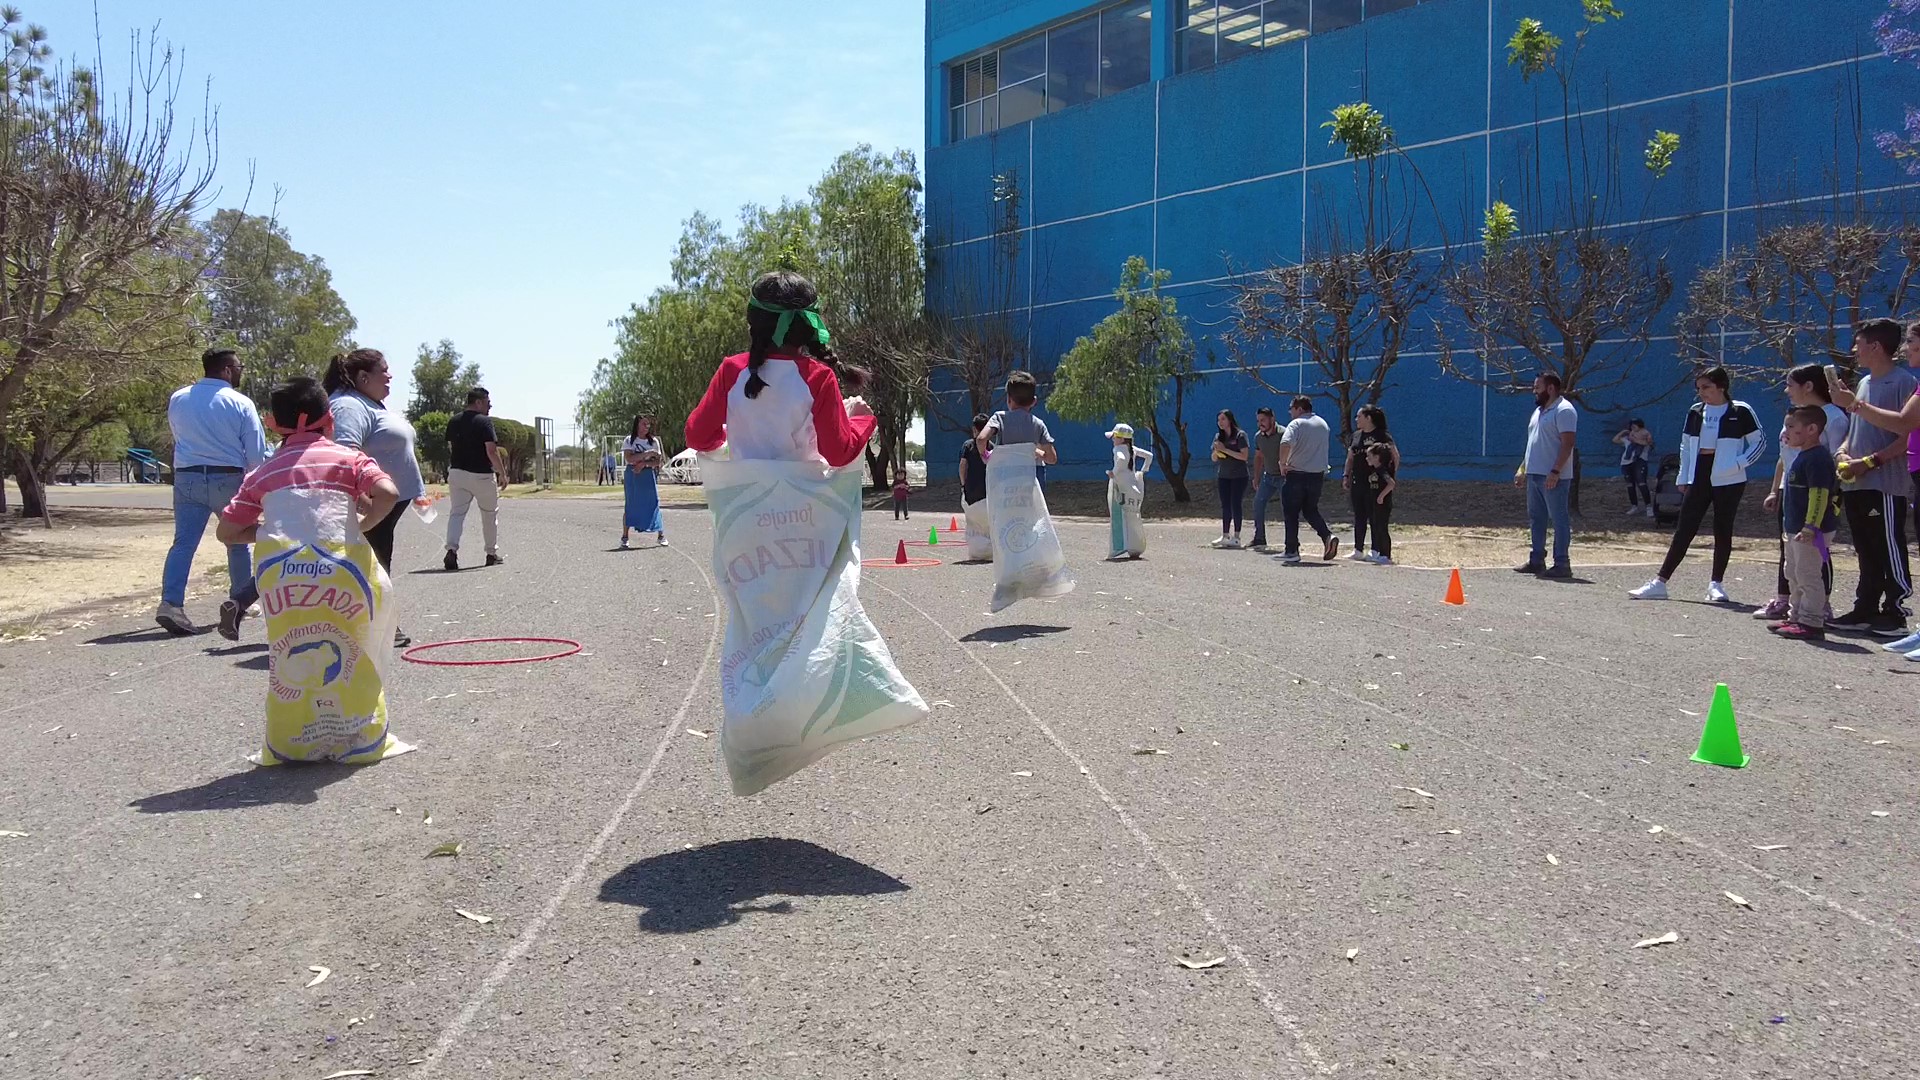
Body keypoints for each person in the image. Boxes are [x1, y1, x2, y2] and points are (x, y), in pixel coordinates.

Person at [683, 270, 926, 795]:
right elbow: (839, 450)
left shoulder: (732, 371)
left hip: (748, 522)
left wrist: (739, 424)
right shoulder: (817, 377)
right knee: (817, 615)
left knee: (753, 626)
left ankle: (755, 725)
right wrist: (865, 422)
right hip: (806, 521)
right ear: (808, 324)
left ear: (755, 321)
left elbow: (698, 434)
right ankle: (827, 705)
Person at [215, 376, 412, 765]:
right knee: (353, 649)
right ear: (330, 421)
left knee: (290, 652)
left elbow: (227, 532)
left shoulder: (262, 474)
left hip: (285, 580)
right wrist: (364, 524)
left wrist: (273, 531)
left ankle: (292, 741)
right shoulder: (348, 459)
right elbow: (387, 492)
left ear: (276, 424)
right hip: (343, 574)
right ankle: (359, 738)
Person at [1628, 366, 1767, 603]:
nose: (1701, 393)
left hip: (1729, 479)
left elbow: (1760, 442)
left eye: (1706, 387)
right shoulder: (1695, 412)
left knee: (1722, 530)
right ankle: (1659, 582)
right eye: (1699, 388)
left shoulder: (1740, 411)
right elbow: (1685, 444)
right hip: (1699, 475)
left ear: (1721, 387)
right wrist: (1683, 476)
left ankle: (1716, 584)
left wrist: (1739, 464)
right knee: (1685, 529)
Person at [157, 348, 269, 639]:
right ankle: (239, 600)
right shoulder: (240, 403)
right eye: (239, 366)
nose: (241, 371)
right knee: (237, 540)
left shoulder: (179, 398)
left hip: (188, 476)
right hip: (228, 476)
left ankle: (171, 603)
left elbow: (178, 436)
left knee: (183, 544)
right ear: (228, 370)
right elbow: (256, 454)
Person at [326, 349, 427, 648]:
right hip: (370, 504)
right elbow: (345, 453)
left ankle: (377, 626)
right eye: (384, 370)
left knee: (375, 563)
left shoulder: (366, 402)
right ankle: (379, 628)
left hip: (383, 505)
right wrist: (363, 500)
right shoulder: (347, 405)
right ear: (363, 377)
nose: (390, 375)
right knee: (370, 565)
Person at [1826, 318, 1918, 637]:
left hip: (1885, 484)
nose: (1854, 349)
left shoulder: (1904, 382)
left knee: (1887, 545)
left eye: (1859, 342)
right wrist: (1842, 453)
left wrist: (1870, 461)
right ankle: (1865, 608)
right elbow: (1856, 430)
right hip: (1856, 483)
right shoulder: (1864, 383)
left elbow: (1907, 435)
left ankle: (1895, 612)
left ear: (1875, 346)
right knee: (1865, 548)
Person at [1755, 365, 1850, 623]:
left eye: (1790, 384)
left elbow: (1833, 461)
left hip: (1815, 494)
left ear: (1808, 386)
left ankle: (1820, 606)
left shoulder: (1833, 417)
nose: (1787, 390)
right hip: (1791, 489)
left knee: (1815, 553)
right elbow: (1784, 458)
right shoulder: (1795, 416)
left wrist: (1828, 501)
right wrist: (1775, 489)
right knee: (1790, 551)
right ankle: (1787, 602)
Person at [1768, 406, 1842, 642]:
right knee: (1793, 572)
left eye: (1791, 427)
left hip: (1811, 531)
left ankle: (1811, 621)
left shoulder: (1818, 459)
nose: (1785, 432)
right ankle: (1796, 616)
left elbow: (1819, 495)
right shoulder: (1801, 455)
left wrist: (1811, 526)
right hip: (1794, 530)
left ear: (1811, 429)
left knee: (1808, 574)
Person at [1515, 372, 1577, 579]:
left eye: (1537, 387)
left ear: (1550, 388)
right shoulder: (1539, 412)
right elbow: (1533, 443)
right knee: (1536, 518)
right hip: (1534, 474)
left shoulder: (1564, 410)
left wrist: (1556, 471)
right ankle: (1536, 560)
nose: (1534, 391)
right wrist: (1522, 469)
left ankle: (1562, 564)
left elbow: (1568, 444)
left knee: (1559, 519)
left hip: (1553, 477)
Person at [443, 386, 507, 571]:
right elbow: (491, 451)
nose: (490, 406)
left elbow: (451, 447)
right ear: (478, 402)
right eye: (487, 402)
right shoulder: (484, 422)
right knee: (489, 514)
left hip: (457, 473)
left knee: (457, 513)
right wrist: (502, 473)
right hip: (481, 475)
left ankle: (451, 551)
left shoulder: (454, 421)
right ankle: (491, 553)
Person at [1273, 396, 1338, 565]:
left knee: (1291, 512)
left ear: (1299, 408)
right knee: (1310, 510)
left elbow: (1285, 443)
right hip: (1317, 475)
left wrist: (1282, 463)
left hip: (1297, 474)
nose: (1290, 412)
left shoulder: (1296, 424)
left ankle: (1291, 550)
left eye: (1291, 408)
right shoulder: (1323, 424)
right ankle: (1327, 536)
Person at [1344, 405, 1399, 561]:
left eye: (1359, 416)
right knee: (1359, 515)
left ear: (1368, 418)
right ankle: (1358, 549)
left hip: (1375, 483)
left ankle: (1376, 550)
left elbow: (1394, 455)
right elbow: (1350, 458)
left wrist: (1389, 475)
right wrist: (1346, 475)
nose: (1356, 420)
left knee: (1375, 517)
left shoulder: (1382, 435)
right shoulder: (1356, 436)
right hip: (1358, 481)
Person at [978, 370, 1058, 471]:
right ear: (1034, 401)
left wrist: (986, 455)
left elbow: (981, 439)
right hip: (1029, 477)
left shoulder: (999, 418)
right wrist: (1034, 451)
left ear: (1008, 399)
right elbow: (1052, 458)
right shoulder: (1038, 424)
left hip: (1003, 476)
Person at [1105, 422, 1153, 560]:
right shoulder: (1133, 449)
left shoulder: (1118, 449)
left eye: (1114, 437)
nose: (1113, 440)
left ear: (1121, 438)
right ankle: (1135, 546)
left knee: (1119, 515)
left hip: (1121, 486)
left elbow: (1120, 460)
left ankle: (1118, 547)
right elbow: (1149, 456)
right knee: (1133, 516)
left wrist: (1113, 472)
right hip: (1134, 486)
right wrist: (1143, 471)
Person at [620, 415, 667, 549]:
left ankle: (661, 535)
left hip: (647, 474)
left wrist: (644, 464)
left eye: (648, 424)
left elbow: (657, 461)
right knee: (631, 504)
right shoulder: (629, 440)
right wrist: (648, 454)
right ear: (637, 425)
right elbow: (630, 459)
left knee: (653, 502)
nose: (646, 426)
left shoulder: (654, 442)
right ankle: (625, 537)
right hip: (632, 475)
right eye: (643, 424)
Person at [1210, 409, 1249, 549]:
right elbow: (1214, 458)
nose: (1220, 422)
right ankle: (1225, 534)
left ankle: (1237, 536)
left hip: (1239, 476)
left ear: (1230, 420)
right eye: (1218, 420)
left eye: (1223, 419)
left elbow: (1244, 456)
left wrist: (1225, 449)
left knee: (1235, 504)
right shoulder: (1218, 437)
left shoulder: (1240, 435)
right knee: (1225, 505)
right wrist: (1216, 451)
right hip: (1224, 476)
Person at [1248, 406, 1285, 552]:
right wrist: (1256, 477)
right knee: (1258, 502)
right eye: (1258, 421)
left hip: (1284, 477)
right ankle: (1259, 538)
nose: (1260, 424)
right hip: (1268, 476)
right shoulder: (1258, 437)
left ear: (1272, 419)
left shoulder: (1284, 434)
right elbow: (1258, 457)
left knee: (1286, 508)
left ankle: (1291, 542)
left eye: (1263, 420)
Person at [959, 414, 991, 561]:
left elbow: (963, 465)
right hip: (988, 492)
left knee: (973, 524)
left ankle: (976, 553)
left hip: (971, 491)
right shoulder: (992, 447)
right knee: (988, 525)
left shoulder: (968, 445)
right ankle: (990, 553)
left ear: (974, 429)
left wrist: (963, 484)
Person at [1612, 418, 1654, 517]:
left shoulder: (1645, 437)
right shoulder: (1628, 439)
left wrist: (1635, 439)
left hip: (1639, 462)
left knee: (1642, 483)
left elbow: (1647, 443)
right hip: (1626, 463)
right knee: (1630, 485)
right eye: (1632, 426)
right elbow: (1615, 440)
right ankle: (1634, 506)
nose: (1633, 428)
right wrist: (1623, 432)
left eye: (1635, 425)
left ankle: (1648, 506)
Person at [1364, 443, 1397, 565]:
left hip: (1383, 504)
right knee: (1376, 527)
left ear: (1377, 457)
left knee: (1382, 528)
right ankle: (1379, 552)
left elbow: (1391, 484)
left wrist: (1381, 496)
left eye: (1370, 456)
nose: (1367, 458)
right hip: (1375, 504)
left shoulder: (1382, 470)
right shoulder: (1375, 470)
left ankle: (1386, 555)